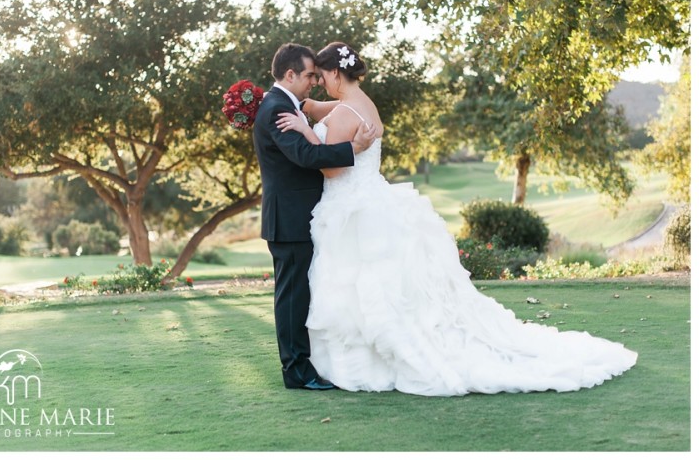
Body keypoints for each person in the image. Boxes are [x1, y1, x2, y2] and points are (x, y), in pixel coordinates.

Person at [275, 42, 637, 396]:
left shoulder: (342, 113)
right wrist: (303, 105)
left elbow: (333, 169)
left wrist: (305, 131)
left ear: (335, 73)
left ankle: (369, 361)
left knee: (361, 287)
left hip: (350, 209)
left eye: (321, 77)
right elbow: (328, 110)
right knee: (386, 287)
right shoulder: (362, 105)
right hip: (372, 200)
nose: (319, 83)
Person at [253, 43, 377, 390]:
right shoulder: (278, 108)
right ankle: (296, 372)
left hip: (298, 216)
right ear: (289, 75)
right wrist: (355, 147)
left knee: (300, 295)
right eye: (309, 76)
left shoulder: (288, 103)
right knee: (292, 298)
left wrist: (310, 113)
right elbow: (307, 156)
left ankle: (307, 365)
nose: (313, 82)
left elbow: (327, 110)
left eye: (318, 75)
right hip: (289, 219)